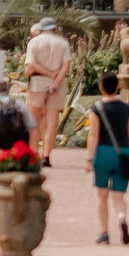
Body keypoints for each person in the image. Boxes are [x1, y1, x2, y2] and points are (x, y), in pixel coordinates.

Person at [85, 71, 129, 245]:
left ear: (101, 87)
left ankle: (105, 233)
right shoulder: (126, 108)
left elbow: (93, 135)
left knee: (102, 196)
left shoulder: (97, 108)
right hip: (123, 153)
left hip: (103, 152)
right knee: (119, 197)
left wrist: (89, 159)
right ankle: (122, 218)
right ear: (117, 87)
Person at [23, 16, 73, 160]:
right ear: (54, 29)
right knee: (51, 122)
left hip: (37, 82)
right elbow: (66, 65)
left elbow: (31, 64)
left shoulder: (34, 42)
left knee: (34, 120)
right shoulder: (63, 42)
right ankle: (46, 155)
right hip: (58, 83)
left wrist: (47, 73)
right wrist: (55, 81)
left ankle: (34, 153)